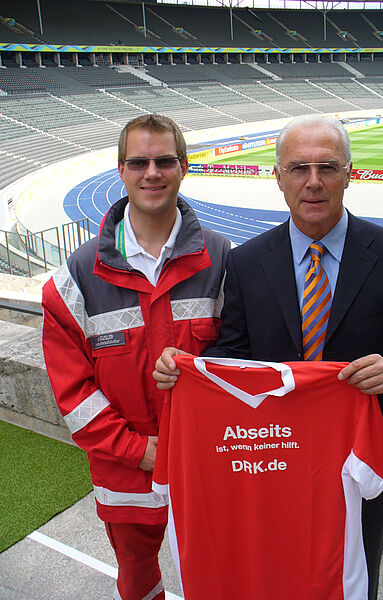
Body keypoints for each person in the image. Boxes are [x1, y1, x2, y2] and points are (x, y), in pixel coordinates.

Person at [154, 115, 383, 600]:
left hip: (357, 475)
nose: (313, 182)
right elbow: (233, 353)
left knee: (352, 586)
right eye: (298, 168)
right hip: (275, 467)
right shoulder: (246, 262)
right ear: (278, 177)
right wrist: (188, 370)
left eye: (327, 167)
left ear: (349, 174)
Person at [42, 114, 230, 600]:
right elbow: (73, 393)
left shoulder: (223, 259)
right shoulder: (76, 277)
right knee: (137, 577)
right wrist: (135, 449)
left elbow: (242, 362)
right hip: (125, 468)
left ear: (183, 166)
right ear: (121, 170)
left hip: (207, 462)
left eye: (164, 161)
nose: (152, 173)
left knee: (219, 569)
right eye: (139, 162)